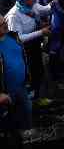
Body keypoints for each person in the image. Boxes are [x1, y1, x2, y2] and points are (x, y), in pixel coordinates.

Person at [5, 0, 54, 105]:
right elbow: (18, 38)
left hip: (34, 43)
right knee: (29, 73)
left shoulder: (32, 4)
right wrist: (41, 32)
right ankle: (29, 99)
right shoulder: (14, 16)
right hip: (22, 49)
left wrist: (51, 5)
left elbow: (44, 9)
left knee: (38, 69)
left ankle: (37, 95)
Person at [0, 13, 32, 148]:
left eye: (4, 21)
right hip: (5, 93)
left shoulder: (13, 36)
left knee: (26, 110)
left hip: (21, 86)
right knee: (8, 125)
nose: (5, 24)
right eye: (1, 24)